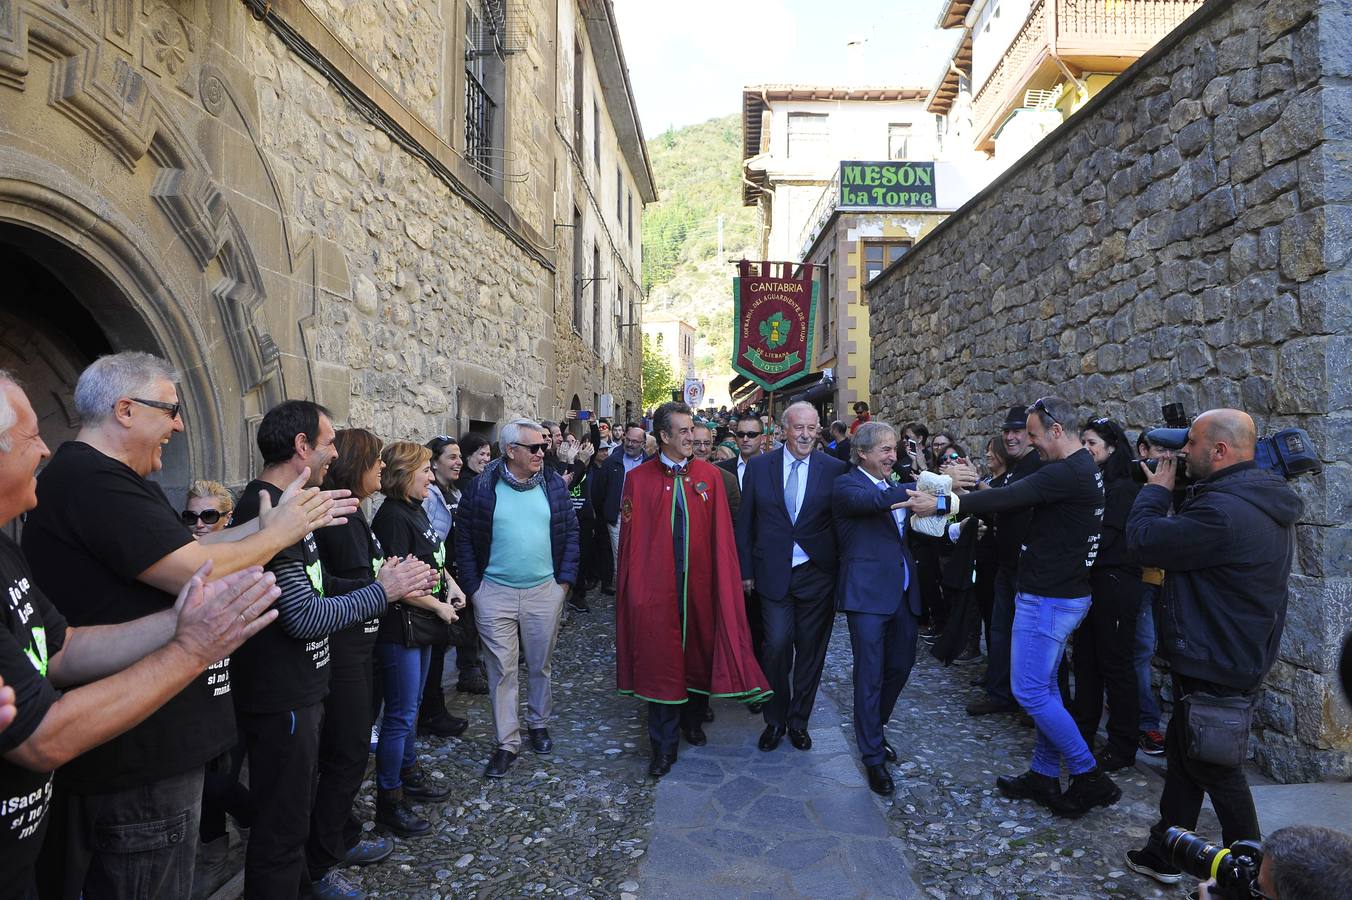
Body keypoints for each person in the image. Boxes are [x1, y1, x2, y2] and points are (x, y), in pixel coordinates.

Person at [22, 352, 352, 900]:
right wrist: (275, 537)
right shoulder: (92, 480)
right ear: (126, 410)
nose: (178, 424)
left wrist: (264, 528)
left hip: (150, 744)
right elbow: (188, 570)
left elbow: (187, 548)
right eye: (170, 410)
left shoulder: (114, 481)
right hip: (137, 756)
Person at [229, 402, 432, 899]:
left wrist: (377, 583)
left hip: (300, 689)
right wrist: (382, 591)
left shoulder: (291, 506)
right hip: (282, 695)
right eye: (328, 443)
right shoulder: (267, 508)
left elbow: (316, 588)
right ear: (302, 447)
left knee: (291, 819)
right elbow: (304, 615)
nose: (334, 454)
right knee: (280, 828)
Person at [902, 396, 1116, 818]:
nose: (1032, 445)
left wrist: (944, 503)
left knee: (1031, 693)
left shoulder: (1067, 471)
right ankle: (1042, 773)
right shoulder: (1076, 469)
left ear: (1057, 431)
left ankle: (1089, 775)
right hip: (1059, 594)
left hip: (1049, 599)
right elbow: (1010, 496)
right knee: (1047, 689)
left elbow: (1011, 497)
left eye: (1034, 436)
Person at [1123, 409, 1302, 887]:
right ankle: (1165, 851)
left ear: (1220, 451)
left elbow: (1144, 540)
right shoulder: (1248, 496)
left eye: (1193, 445)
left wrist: (1155, 491)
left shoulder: (1223, 512)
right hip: (1224, 651)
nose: (1183, 453)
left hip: (1216, 658)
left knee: (1219, 769)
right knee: (1186, 758)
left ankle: (1261, 877)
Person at [614, 402, 769, 778]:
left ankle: (694, 720)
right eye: (683, 432)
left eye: (692, 431)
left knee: (699, 650)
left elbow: (722, 537)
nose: (691, 439)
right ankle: (663, 746)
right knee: (660, 662)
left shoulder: (711, 477)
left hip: (700, 584)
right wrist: (633, 590)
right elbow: (631, 542)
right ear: (664, 436)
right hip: (658, 590)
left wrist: (726, 582)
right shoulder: (639, 480)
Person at [454, 419, 579, 779]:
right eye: (535, 447)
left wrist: (564, 584)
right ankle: (507, 742)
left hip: (544, 592)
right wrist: (475, 589)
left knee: (539, 664)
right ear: (511, 451)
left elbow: (570, 532)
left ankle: (538, 724)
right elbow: (464, 538)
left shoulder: (553, 484)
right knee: (501, 670)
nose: (543, 452)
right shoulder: (482, 487)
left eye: (544, 446)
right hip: (494, 593)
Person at [304, 428, 400, 895]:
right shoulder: (338, 518)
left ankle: (339, 834)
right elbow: (327, 588)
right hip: (342, 652)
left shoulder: (355, 514)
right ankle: (321, 863)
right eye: (375, 460)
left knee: (350, 750)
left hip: (359, 649)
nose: (381, 468)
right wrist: (385, 587)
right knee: (346, 754)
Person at [736, 401, 849, 753]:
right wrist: (746, 572)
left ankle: (799, 721)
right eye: (798, 427)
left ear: (819, 431)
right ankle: (775, 720)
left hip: (817, 574)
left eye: (812, 428)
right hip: (772, 574)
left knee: (811, 653)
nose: (805, 434)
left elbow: (842, 522)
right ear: (783, 429)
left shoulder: (835, 469)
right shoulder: (760, 467)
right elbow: (746, 524)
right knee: (777, 647)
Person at [370, 441, 464, 839]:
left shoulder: (414, 510)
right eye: (424, 470)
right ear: (404, 473)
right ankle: (390, 801)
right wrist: (439, 607)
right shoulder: (392, 517)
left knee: (411, 709)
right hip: (402, 629)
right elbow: (392, 582)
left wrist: (451, 585)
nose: (430, 477)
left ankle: (408, 774)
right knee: (401, 715)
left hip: (421, 626)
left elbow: (433, 558)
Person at [831, 422, 922, 796]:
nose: (892, 456)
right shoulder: (847, 485)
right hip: (866, 596)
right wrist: (921, 489)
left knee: (900, 665)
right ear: (863, 453)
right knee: (869, 675)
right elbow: (869, 503)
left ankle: (874, 728)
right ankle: (872, 757)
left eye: (894, 449)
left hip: (901, 593)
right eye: (885, 449)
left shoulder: (894, 485)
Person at [1070, 418, 1144, 772]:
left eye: (1091, 442)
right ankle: (1082, 734)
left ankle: (1122, 744)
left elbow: (1104, 537)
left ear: (1111, 447)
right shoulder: (1092, 483)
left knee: (1115, 664)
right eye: (1082, 442)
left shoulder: (1122, 489)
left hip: (1114, 583)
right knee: (1085, 662)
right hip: (1090, 583)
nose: (1085, 448)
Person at [966, 404, 1042, 717]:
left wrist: (973, 488)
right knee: (1000, 631)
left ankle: (1032, 703)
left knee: (1030, 638)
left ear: (1031, 434)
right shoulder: (1016, 465)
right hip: (1006, 563)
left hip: (1029, 566)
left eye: (1017, 431)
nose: (1011, 437)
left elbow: (1010, 502)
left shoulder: (1037, 463)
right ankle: (1000, 693)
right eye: (1007, 431)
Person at [419, 435, 477, 732]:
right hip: (433, 581)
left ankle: (434, 709)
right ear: (434, 462)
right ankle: (430, 713)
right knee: (436, 648)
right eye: (451, 457)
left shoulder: (454, 492)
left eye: (458, 457)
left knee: (445, 645)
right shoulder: (429, 496)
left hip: (450, 578)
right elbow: (426, 542)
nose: (458, 462)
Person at [1135, 431, 1174, 757]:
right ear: (1143, 451)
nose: (1167, 460)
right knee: (1142, 651)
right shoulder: (1141, 484)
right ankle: (1147, 723)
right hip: (1143, 580)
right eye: (1160, 452)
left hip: (1166, 580)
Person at [591, 422, 648, 575]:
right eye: (627, 440)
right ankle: (623, 594)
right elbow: (600, 491)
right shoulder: (611, 462)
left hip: (643, 519)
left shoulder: (650, 464)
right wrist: (607, 511)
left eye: (635, 441)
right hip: (617, 517)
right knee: (620, 558)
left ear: (643, 444)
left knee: (640, 556)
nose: (630, 444)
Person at [692, 422, 740, 520]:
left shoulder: (727, 479)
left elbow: (736, 522)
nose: (702, 448)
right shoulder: (676, 475)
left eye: (707, 443)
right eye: (696, 443)